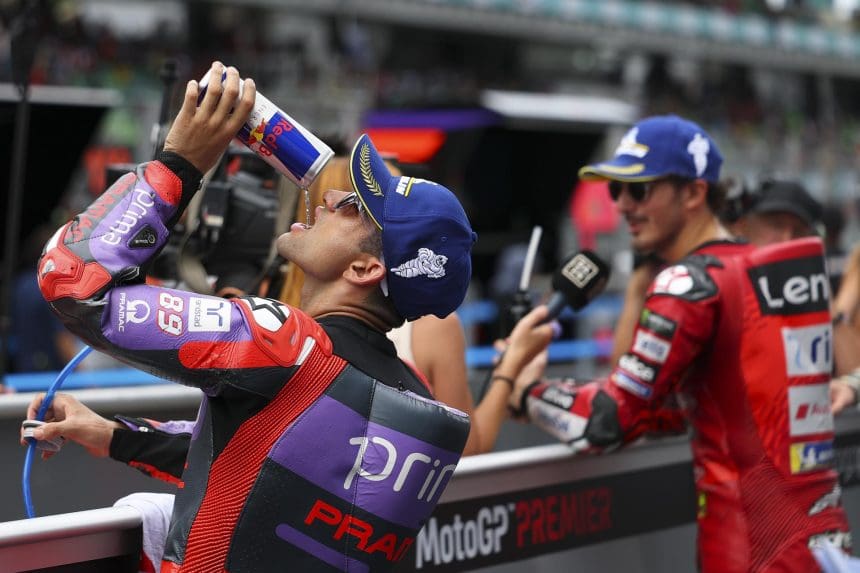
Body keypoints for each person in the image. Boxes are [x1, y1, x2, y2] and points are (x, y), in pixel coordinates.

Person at [31, 62, 475, 572]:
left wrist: (177, 167)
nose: (328, 197)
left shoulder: (284, 343)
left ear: (366, 267)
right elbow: (267, 465)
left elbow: (71, 279)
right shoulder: (413, 395)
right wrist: (109, 433)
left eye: (352, 205)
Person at [493, 115, 851, 572]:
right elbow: (716, 408)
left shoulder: (688, 283)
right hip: (823, 542)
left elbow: (607, 422)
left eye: (639, 189)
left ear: (695, 193)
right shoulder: (756, 268)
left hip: (752, 554)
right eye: (614, 190)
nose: (623, 205)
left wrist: (522, 391)